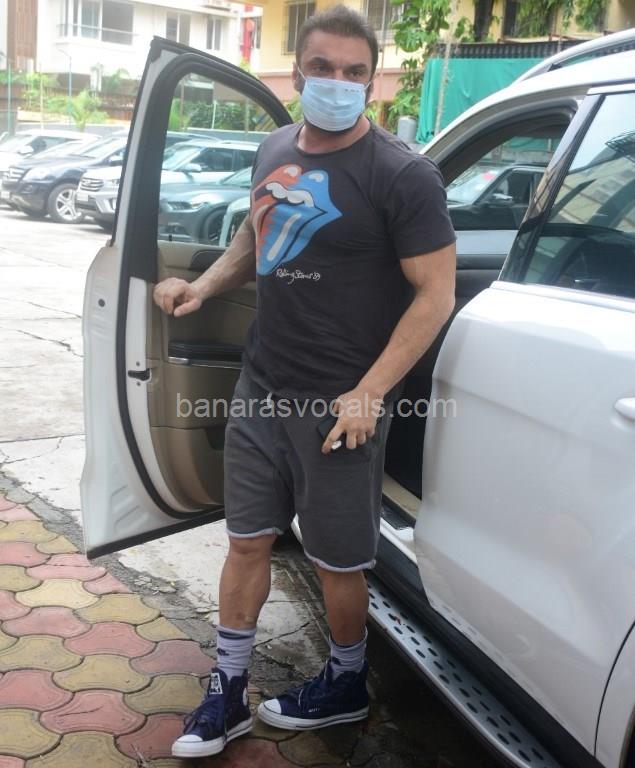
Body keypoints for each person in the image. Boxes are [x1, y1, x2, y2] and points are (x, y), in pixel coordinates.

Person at [153, 5, 456, 759]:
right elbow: (255, 233)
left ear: (372, 83)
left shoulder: (401, 174)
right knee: (247, 541)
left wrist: (370, 391)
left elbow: (435, 294)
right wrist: (204, 286)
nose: (338, 83)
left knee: (335, 558)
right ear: (297, 73)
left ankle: (346, 681)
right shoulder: (274, 147)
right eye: (323, 68)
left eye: (355, 72)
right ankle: (227, 692)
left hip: (340, 403)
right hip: (262, 384)